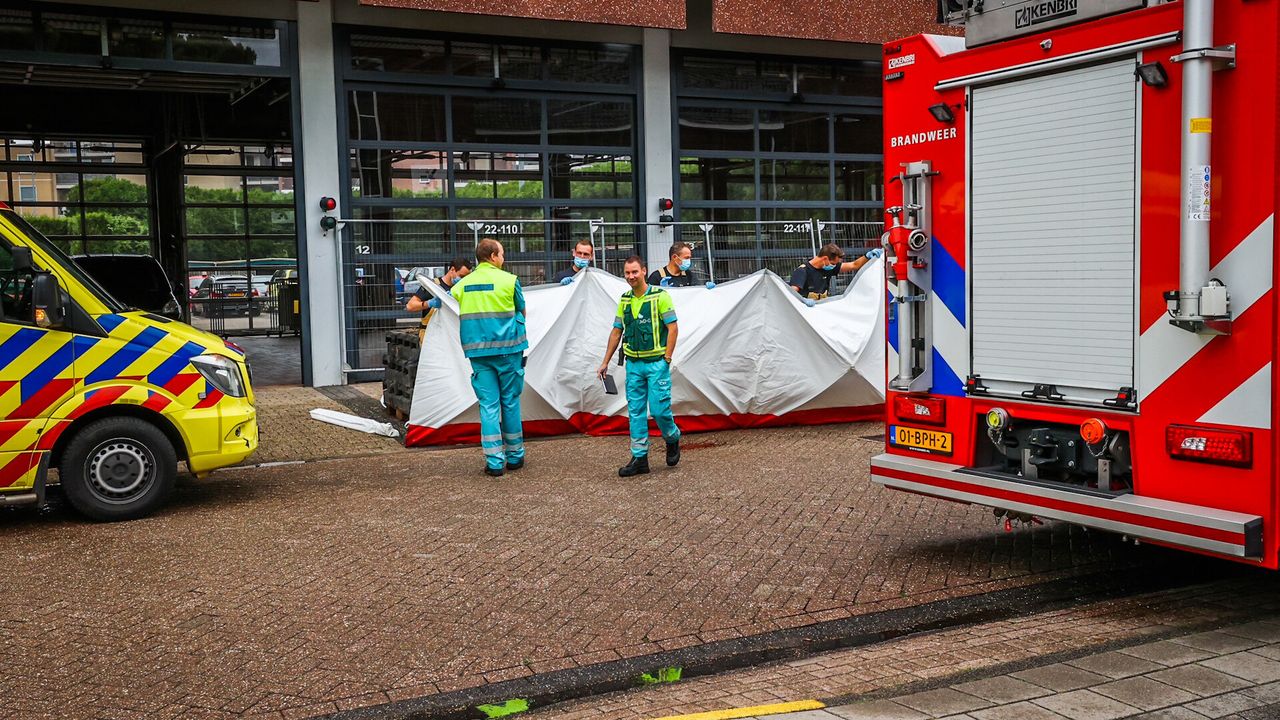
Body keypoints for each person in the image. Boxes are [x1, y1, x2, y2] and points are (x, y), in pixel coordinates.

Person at [596, 256, 681, 478]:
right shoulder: (624, 300)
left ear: (644, 271)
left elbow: (673, 328)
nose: (631, 277)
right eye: (627, 273)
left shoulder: (660, 296)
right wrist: (605, 362)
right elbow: (616, 332)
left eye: (635, 272)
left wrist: (667, 359)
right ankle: (639, 458)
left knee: (660, 410)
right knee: (635, 412)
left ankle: (672, 437)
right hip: (633, 365)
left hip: (656, 365)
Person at [451, 239, 528, 477]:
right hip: (508, 351)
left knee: (488, 405)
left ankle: (495, 462)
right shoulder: (510, 280)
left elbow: (453, 299)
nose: (504, 258)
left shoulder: (463, 284)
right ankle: (515, 456)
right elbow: (521, 309)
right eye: (502, 254)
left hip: (478, 353)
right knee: (511, 402)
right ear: (493, 256)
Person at [789, 243, 883, 306]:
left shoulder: (827, 268)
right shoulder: (802, 271)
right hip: (807, 312)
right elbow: (791, 294)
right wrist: (802, 301)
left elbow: (854, 265)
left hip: (822, 308)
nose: (834, 266)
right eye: (833, 264)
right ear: (825, 259)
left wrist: (867, 256)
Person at [404, 258, 472, 316]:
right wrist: (429, 303)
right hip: (431, 330)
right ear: (452, 270)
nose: (463, 280)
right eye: (461, 276)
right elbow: (410, 306)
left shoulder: (462, 288)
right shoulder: (433, 285)